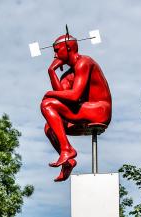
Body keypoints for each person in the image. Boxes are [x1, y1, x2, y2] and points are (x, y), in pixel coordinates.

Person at [40, 33, 113, 182]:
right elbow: (62, 98)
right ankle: (68, 161)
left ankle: (67, 149)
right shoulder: (68, 74)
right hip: (85, 110)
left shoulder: (84, 63)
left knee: (47, 103)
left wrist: (49, 93)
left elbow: (74, 96)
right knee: (49, 127)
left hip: (99, 110)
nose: (55, 55)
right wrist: (51, 71)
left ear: (68, 48)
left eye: (57, 50)